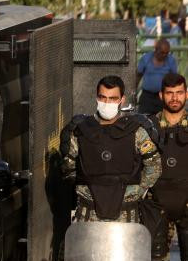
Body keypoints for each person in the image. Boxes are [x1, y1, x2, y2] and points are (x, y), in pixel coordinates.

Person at [60, 75, 161, 223]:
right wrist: (87, 190)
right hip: (88, 214)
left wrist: (135, 192)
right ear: (96, 98)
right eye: (103, 97)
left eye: (113, 98)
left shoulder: (136, 131)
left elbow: (154, 166)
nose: (107, 103)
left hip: (126, 215)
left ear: (122, 100)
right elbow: (69, 168)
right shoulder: (80, 130)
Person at [144, 72, 188, 261]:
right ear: (161, 95)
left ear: (186, 94)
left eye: (179, 92)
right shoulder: (148, 126)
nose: (174, 97)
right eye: (169, 93)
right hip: (156, 205)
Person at [138, 39, 178, 115]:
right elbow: (138, 76)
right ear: (156, 50)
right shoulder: (146, 58)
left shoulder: (171, 60)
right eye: (162, 52)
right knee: (143, 119)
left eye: (166, 53)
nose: (164, 55)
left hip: (163, 96)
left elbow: (174, 79)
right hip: (147, 96)